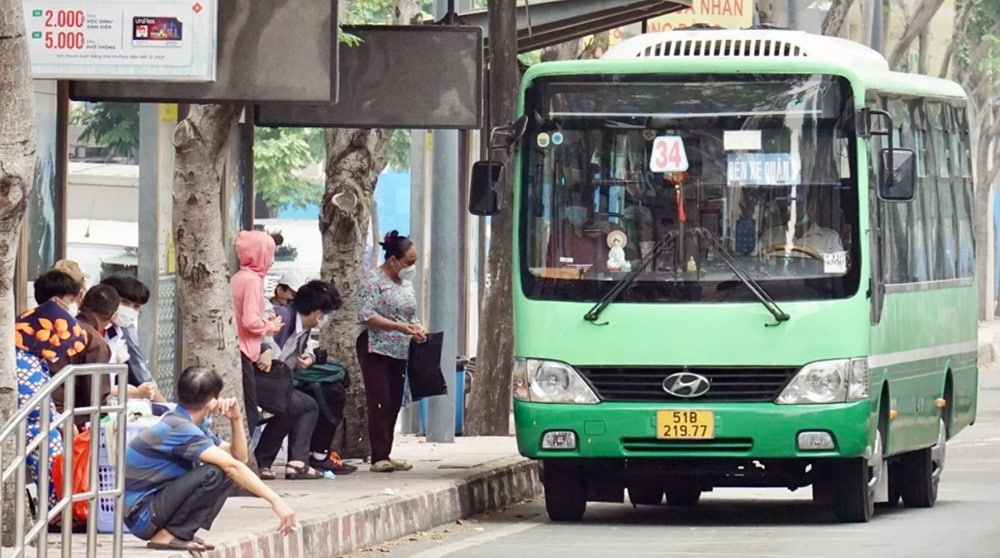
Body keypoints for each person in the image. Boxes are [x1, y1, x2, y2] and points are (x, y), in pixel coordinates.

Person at [124, 366, 297, 552]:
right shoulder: (179, 428)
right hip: (142, 514)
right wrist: (275, 501)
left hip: (150, 509)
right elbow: (232, 466)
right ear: (212, 400)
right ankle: (168, 536)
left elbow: (239, 457)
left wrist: (235, 419)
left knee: (224, 468)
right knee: (217, 471)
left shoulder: (190, 424)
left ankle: (178, 532)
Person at [262, 280, 356, 476]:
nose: (324, 318)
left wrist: (310, 359)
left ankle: (302, 459)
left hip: (281, 382)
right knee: (303, 405)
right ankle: (281, 462)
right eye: (325, 313)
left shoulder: (302, 329)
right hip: (264, 380)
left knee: (326, 394)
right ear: (317, 311)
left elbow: (307, 351)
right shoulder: (281, 319)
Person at [357, 231, 426, 473]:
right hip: (376, 347)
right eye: (409, 262)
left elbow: (409, 313)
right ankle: (377, 455)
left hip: (400, 348)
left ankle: (386, 451)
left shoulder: (405, 283)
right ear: (393, 259)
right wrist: (398, 326)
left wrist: (416, 327)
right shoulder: (372, 280)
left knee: (395, 401)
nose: (412, 267)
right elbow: (366, 315)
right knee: (380, 400)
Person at [14, 301, 89, 507]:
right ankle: (57, 509)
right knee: (53, 456)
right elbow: (32, 403)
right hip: (32, 428)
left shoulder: (31, 355)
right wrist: (58, 421)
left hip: (40, 426)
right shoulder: (21, 360)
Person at [34, 270, 113, 427]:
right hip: (62, 419)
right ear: (57, 302)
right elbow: (96, 393)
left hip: (38, 412)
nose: (75, 304)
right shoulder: (80, 335)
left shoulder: (27, 327)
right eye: (71, 299)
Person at [231, 230, 283, 431]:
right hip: (244, 351)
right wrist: (271, 326)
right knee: (250, 413)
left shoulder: (240, 277)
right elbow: (250, 321)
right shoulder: (252, 281)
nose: (271, 260)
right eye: (269, 253)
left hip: (241, 350)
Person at [99, 275, 161, 400]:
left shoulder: (123, 329)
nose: (130, 310)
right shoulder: (92, 331)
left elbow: (140, 368)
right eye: (124, 303)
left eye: (136, 306)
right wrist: (136, 393)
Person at [755, 193, 844, 258]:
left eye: (800, 204)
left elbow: (838, 271)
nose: (794, 209)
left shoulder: (831, 239)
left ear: (813, 209)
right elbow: (752, 265)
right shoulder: (770, 235)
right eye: (791, 204)